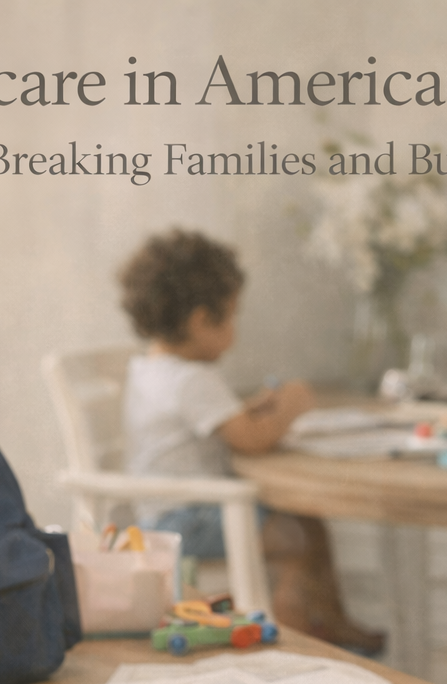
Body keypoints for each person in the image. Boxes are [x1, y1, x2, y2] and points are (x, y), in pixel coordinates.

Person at [120, 228, 384, 655]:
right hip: (187, 520)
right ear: (200, 321)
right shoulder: (192, 379)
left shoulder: (154, 368)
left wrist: (257, 409)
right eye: (231, 316)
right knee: (296, 538)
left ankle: (331, 624)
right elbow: (252, 441)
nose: (235, 329)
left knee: (306, 523)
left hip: (167, 513)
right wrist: (291, 406)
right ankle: (295, 641)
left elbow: (225, 424)